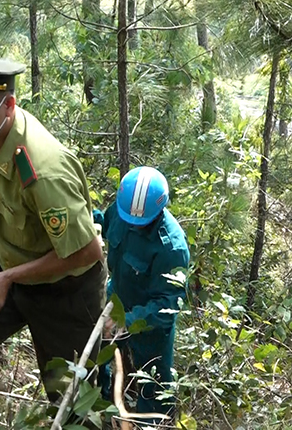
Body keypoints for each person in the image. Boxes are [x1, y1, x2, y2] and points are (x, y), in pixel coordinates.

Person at [0, 48, 107, 409]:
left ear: (8, 106)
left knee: (73, 402)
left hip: (66, 289)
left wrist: (9, 278)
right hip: (8, 270)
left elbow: (86, 251)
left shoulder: (44, 168)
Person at [94, 166, 190, 422]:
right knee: (99, 356)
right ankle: (102, 411)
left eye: (142, 222)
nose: (133, 226)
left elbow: (168, 306)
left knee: (156, 388)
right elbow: (105, 224)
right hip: (117, 298)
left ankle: (151, 424)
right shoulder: (120, 211)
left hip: (150, 326)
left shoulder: (172, 248)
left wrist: (128, 321)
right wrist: (90, 221)